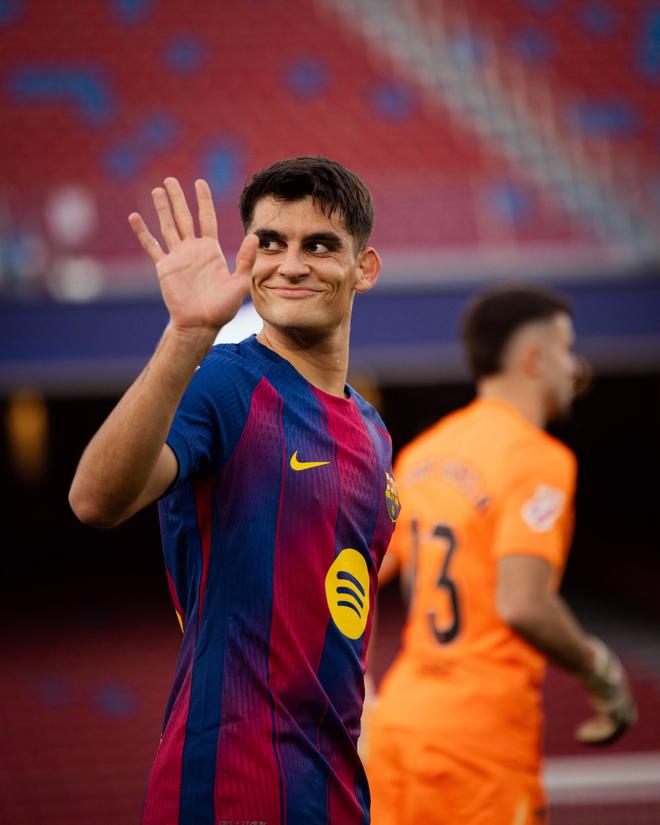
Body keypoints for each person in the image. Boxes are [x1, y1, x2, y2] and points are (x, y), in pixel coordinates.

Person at [68, 157, 399, 825]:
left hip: (335, 787)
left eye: (319, 245)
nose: (290, 265)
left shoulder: (373, 432)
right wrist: (186, 335)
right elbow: (94, 500)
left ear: (364, 269)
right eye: (270, 243)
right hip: (230, 785)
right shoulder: (224, 382)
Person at [366, 284, 637, 825]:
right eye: (566, 349)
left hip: (397, 727)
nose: (574, 366)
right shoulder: (538, 458)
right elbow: (522, 603)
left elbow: (358, 576)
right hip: (480, 749)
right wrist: (601, 672)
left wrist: (363, 692)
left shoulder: (424, 452)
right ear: (533, 358)